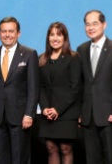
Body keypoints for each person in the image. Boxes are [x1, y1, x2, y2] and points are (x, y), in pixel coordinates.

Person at [0, 16, 39, 164]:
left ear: (18, 33)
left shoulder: (29, 54)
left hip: (20, 117)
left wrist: (29, 114)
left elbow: (33, 88)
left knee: (19, 158)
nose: (7, 35)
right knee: (1, 158)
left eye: (11, 31)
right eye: (4, 31)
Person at [77, 10, 112, 164]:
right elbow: (80, 85)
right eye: (87, 24)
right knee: (91, 159)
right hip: (87, 117)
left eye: (95, 23)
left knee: (111, 158)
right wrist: (80, 112)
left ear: (104, 25)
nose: (91, 27)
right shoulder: (81, 50)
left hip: (109, 116)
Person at [37, 22, 81, 164]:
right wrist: (44, 108)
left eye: (59, 34)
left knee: (65, 148)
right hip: (48, 113)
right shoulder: (42, 59)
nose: (55, 38)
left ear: (65, 38)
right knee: (51, 148)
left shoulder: (73, 58)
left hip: (66, 112)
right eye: (52, 34)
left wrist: (58, 109)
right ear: (48, 37)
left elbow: (75, 88)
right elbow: (40, 87)